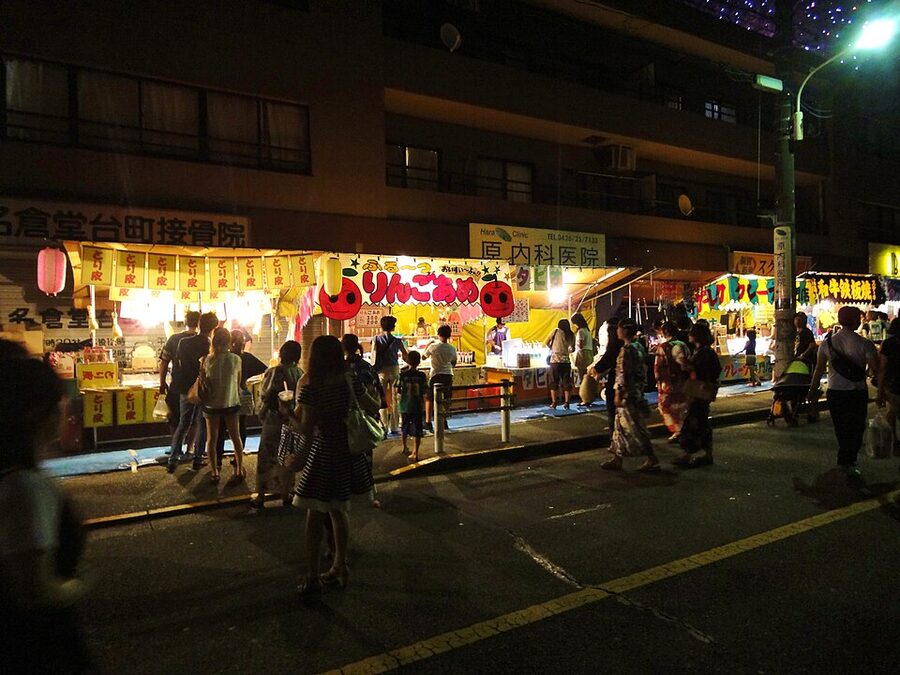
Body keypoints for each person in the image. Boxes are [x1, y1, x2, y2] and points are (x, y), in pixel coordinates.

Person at [0, 349, 92, 673]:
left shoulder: (13, 476)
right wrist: (81, 585)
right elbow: (37, 590)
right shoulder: (26, 486)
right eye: (59, 400)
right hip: (43, 648)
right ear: (36, 413)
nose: (65, 407)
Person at [292, 336, 375, 596]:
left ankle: (313, 575)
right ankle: (340, 566)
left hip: (323, 451)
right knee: (339, 511)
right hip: (348, 452)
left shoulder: (311, 387)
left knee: (315, 513)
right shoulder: (349, 381)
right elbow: (373, 405)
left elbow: (305, 427)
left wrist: (287, 415)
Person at [808, 306, 879, 484]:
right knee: (856, 427)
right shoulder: (864, 344)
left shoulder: (827, 343)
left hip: (835, 392)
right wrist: (883, 389)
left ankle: (845, 460)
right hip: (857, 391)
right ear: (855, 320)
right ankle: (849, 460)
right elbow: (876, 370)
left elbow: (818, 370)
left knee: (841, 427)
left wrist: (813, 390)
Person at [600, 319, 658, 472]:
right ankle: (617, 457)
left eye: (619, 328)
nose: (616, 331)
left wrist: (618, 392)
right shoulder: (638, 346)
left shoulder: (626, 350)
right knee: (620, 426)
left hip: (628, 393)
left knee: (635, 426)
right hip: (637, 390)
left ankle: (651, 457)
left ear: (624, 331)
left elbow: (623, 374)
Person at [251, 340, 303, 509]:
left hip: (273, 419)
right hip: (291, 420)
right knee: (287, 456)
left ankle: (260, 495)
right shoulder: (299, 373)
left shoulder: (273, 371)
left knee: (266, 456)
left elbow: (265, 395)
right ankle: (287, 493)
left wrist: (261, 412)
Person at [167, 312, 218, 473]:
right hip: (203, 390)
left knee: (183, 423)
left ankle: (173, 459)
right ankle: (197, 460)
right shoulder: (210, 346)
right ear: (213, 328)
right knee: (201, 424)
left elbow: (179, 365)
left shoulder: (183, 342)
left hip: (185, 389)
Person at [214, 330, 267, 468]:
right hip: (243, 394)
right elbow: (265, 369)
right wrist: (247, 377)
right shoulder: (247, 357)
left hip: (226, 395)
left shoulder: (226, 358)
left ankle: (218, 460)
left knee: (220, 428)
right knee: (241, 428)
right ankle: (238, 459)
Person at [673, 323, 722, 468]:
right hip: (702, 391)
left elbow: (702, 370)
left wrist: (687, 366)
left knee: (693, 423)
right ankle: (707, 454)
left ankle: (688, 455)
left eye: (691, 333)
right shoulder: (702, 351)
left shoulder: (704, 353)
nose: (689, 335)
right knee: (702, 424)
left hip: (699, 391)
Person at [342, 334, 383, 508]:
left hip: (349, 417)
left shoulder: (343, 368)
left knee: (349, 452)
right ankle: (369, 491)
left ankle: (350, 489)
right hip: (367, 413)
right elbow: (376, 390)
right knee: (365, 452)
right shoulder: (367, 367)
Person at [201, 327, 246, 485]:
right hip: (230, 402)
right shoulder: (236, 359)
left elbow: (203, 381)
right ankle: (239, 468)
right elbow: (238, 381)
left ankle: (214, 472)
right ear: (229, 342)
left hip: (211, 405)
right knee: (236, 437)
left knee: (211, 439)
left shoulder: (206, 359)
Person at [158, 310, 200, 433]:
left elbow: (164, 362)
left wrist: (162, 382)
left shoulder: (174, 339)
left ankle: (175, 444)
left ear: (185, 322)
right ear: (199, 322)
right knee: (194, 419)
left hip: (177, 384)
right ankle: (190, 447)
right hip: (197, 386)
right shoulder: (204, 339)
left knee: (175, 418)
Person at [654, 321, 690, 442]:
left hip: (668, 382)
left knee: (667, 407)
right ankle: (682, 430)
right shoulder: (683, 344)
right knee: (682, 406)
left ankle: (679, 431)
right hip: (682, 380)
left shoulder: (665, 347)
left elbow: (658, 366)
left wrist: (659, 380)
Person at [372, 316, 408, 436]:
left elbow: (373, 355)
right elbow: (405, 355)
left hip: (381, 371)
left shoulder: (376, 339)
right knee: (396, 398)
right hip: (394, 369)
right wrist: (410, 364)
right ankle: (394, 426)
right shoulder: (397, 341)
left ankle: (383, 426)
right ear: (393, 327)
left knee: (381, 398)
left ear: (381, 326)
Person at [423, 324, 457, 432]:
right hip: (448, 375)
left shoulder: (434, 346)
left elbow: (423, 357)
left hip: (436, 375)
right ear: (449, 335)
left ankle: (428, 422)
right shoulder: (452, 348)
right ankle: (444, 420)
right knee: (446, 398)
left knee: (429, 398)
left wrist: (427, 344)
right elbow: (454, 362)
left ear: (438, 334)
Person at [593, 318, 624, 430]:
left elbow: (605, 363)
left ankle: (616, 436)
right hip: (634, 386)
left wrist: (597, 370)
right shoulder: (635, 347)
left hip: (619, 385)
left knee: (615, 411)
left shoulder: (617, 348)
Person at [876, 318, 900, 458]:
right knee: (893, 411)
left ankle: (894, 441)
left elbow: (882, 368)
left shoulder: (888, 344)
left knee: (893, 411)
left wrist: (880, 390)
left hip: (892, 382)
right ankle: (894, 441)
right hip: (893, 383)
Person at [398, 351, 428, 461]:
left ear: (407, 361)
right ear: (419, 362)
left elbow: (398, 390)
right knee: (417, 428)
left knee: (404, 426)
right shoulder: (422, 375)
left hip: (405, 405)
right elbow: (424, 391)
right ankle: (415, 452)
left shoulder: (402, 375)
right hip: (417, 405)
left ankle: (405, 447)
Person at [546, 319, 575, 409]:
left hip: (555, 361)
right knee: (566, 382)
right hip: (566, 361)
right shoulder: (571, 334)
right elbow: (573, 349)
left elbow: (546, 342)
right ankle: (567, 402)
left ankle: (554, 403)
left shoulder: (555, 331)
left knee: (553, 382)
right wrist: (567, 350)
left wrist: (552, 347)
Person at [571, 312, 594, 380]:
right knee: (589, 375)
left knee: (582, 375)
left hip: (583, 354)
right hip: (589, 353)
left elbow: (581, 345)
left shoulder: (581, 331)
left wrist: (574, 343)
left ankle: (584, 388)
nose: (574, 325)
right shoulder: (587, 330)